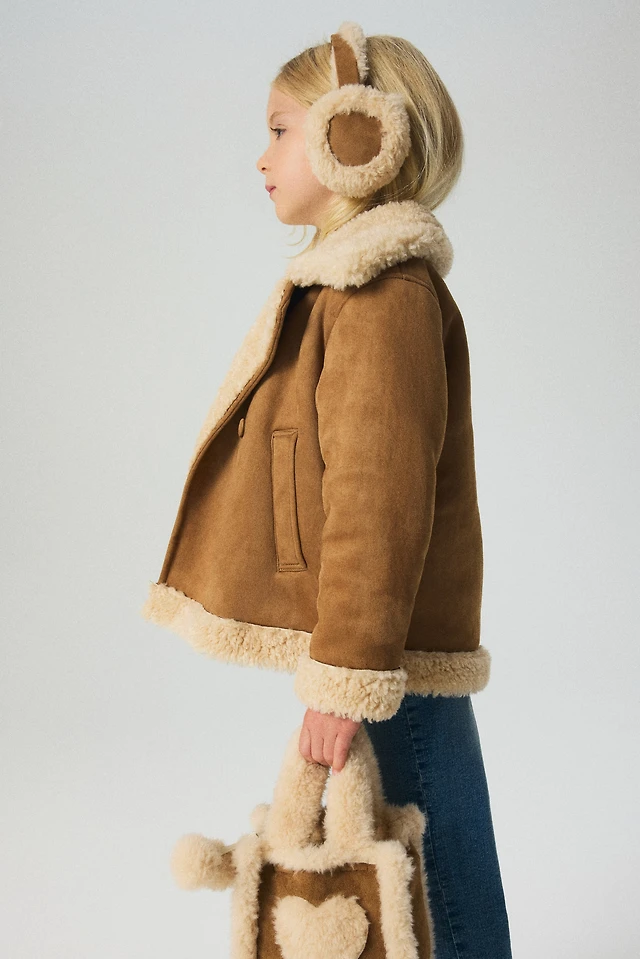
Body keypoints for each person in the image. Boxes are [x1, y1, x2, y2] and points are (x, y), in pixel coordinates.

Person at [142, 20, 512, 957]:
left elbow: (377, 500)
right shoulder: (348, 288)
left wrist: (346, 675)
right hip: (370, 640)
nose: (261, 157)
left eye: (280, 130)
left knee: (438, 862)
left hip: (380, 646)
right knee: (423, 854)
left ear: (356, 135)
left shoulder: (383, 294)